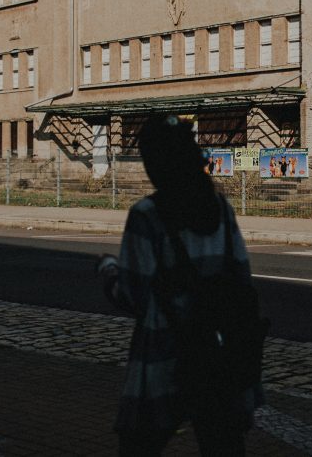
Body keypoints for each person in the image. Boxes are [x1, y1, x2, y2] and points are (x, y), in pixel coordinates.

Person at [99, 114, 262, 456]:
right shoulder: (220, 208)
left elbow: (133, 296)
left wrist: (109, 270)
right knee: (222, 446)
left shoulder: (148, 214)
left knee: (138, 446)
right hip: (217, 356)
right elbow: (242, 281)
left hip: (163, 356)